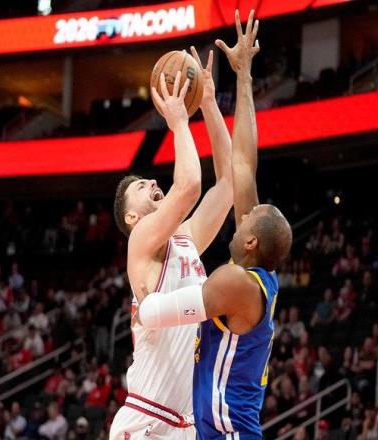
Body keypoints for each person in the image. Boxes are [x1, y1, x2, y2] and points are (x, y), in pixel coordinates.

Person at [137, 10, 292, 439]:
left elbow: (155, 313)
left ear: (252, 241)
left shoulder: (235, 283)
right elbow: (242, 164)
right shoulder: (256, 275)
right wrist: (240, 78)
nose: (242, 216)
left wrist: (141, 290)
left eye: (248, 219)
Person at [109, 43, 233, 439]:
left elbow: (227, 185)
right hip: (146, 418)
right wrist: (179, 121)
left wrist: (209, 103)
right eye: (140, 188)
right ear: (132, 217)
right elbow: (190, 185)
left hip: (185, 423)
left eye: (148, 180)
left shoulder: (186, 240)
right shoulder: (141, 240)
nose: (151, 182)